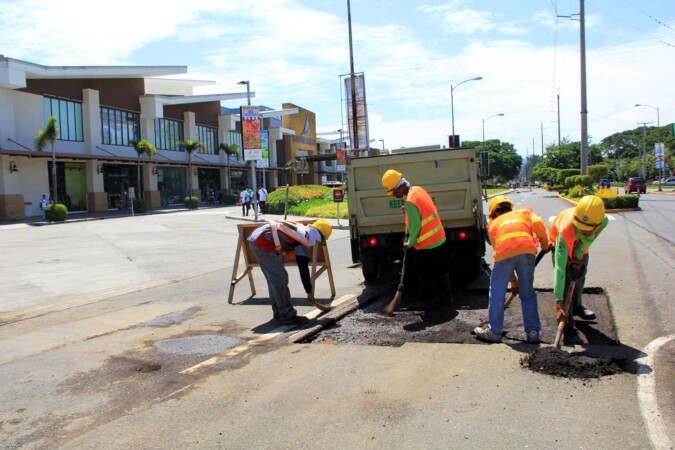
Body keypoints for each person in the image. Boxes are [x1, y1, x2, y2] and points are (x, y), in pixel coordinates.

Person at [473, 195, 550, 343]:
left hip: (504, 256)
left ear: (494, 213)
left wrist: (513, 282)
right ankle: (533, 332)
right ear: (510, 207)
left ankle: (495, 331)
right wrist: (545, 245)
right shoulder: (525, 213)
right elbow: (539, 224)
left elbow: (500, 253)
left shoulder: (493, 225)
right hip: (528, 252)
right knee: (527, 293)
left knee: (496, 293)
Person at [380, 169, 451, 310]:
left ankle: (426, 301)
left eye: (394, 192)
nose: (394, 195)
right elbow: (422, 211)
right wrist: (408, 209)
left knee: (426, 274)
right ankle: (447, 298)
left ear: (400, 186)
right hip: (439, 238)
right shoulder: (418, 190)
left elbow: (415, 227)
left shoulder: (410, 202)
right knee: (442, 270)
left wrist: (409, 243)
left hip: (428, 244)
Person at [247, 219, 333, 325]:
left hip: (258, 238)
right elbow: (303, 269)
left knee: (274, 279)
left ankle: (279, 312)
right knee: (279, 278)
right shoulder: (303, 239)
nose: (317, 243)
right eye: (320, 241)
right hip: (263, 241)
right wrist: (309, 293)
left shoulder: (302, 230)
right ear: (319, 236)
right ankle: (287, 315)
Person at [549, 195, 608, 344]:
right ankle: (568, 326)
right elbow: (560, 270)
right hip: (561, 241)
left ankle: (577, 306)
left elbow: (589, 239)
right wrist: (558, 302)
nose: (585, 232)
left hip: (580, 246)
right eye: (581, 229)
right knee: (567, 279)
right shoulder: (566, 230)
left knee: (580, 276)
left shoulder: (603, 221)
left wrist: (579, 252)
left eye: (588, 230)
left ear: (597, 224)